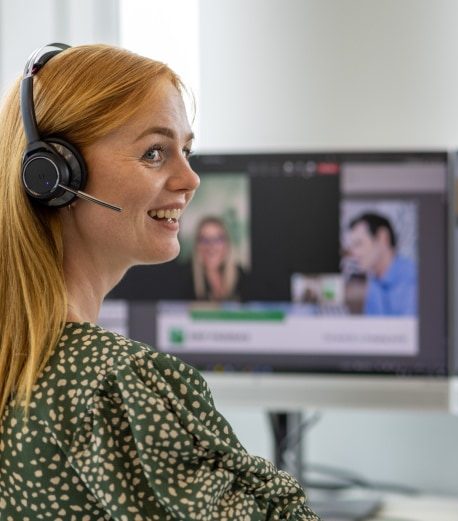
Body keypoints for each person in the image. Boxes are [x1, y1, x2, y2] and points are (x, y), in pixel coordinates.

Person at [0, 43, 319, 520]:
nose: (190, 178)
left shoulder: (20, 359)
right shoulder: (109, 383)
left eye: (186, 151)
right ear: (54, 175)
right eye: (154, 152)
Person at [347, 212, 417, 316]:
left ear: (382, 237)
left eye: (358, 244)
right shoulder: (373, 284)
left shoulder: (413, 278)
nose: (353, 254)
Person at [192, 215, 246, 301]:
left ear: (227, 244)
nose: (211, 246)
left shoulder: (242, 276)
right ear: (197, 246)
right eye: (204, 240)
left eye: (217, 239)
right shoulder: (186, 278)